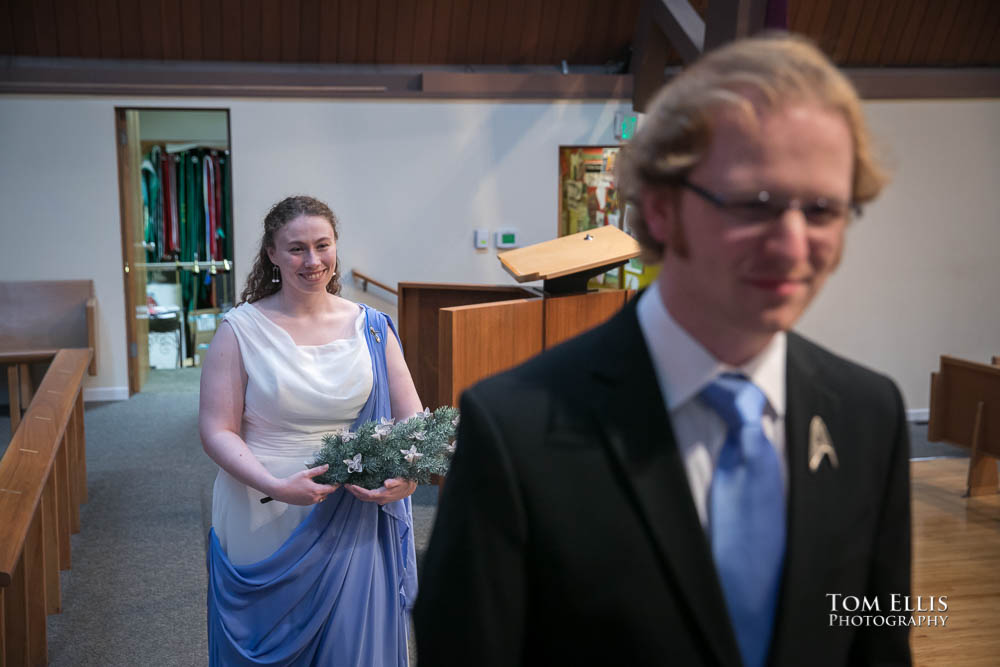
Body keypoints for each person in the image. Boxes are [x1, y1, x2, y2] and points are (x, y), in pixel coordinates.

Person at [415, 33, 911, 667]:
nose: (793, 244)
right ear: (661, 206)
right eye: (754, 203)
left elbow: (880, 638)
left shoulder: (868, 413)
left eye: (821, 209)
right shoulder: (516, 430)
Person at [200, 195, 423, 665]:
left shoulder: (373, 328)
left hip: (353, 514)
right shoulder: (239, 330)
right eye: (296, 248)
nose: (312, 260)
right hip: (262, 507)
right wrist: (277, 486)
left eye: (322, 245)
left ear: (336, 247)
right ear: (272, 254)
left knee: (348, 647)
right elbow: (217, 430)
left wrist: (409, 477)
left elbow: (414, 424)